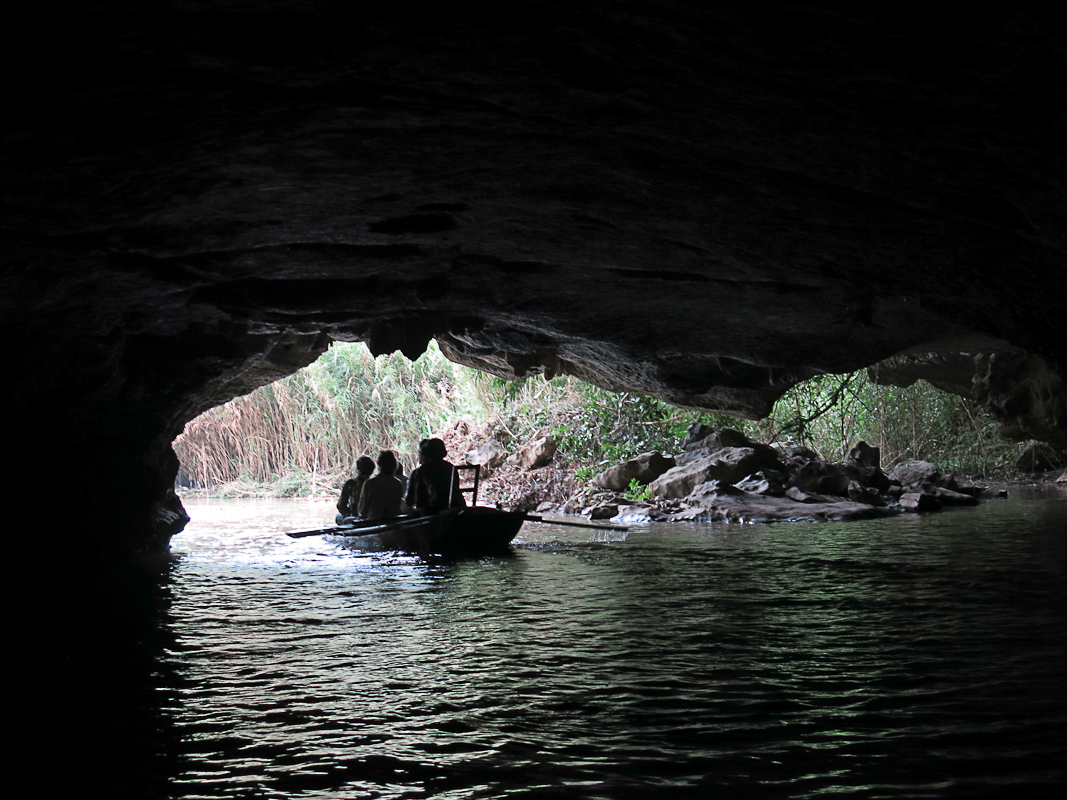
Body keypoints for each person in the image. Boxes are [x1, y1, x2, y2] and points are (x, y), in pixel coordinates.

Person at [405, 437, 466, 515]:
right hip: (458, 508)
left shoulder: (421, 471)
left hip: (435, 512)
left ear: (425, 454)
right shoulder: (451, 467)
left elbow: (411, 500)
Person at [357, 450, 406, 521]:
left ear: (379, 465)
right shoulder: (398, 483)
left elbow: (362, 511)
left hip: (374, 523)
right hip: (393, 522)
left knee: (347, 520)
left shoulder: (370, 483)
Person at [336, 456, 375, 523]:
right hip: (370, 518)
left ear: (358, 470)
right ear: (372, 471)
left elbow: (341, 506)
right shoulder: (374, 483)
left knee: (338, 516)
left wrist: (348, 513)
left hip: (354, 517)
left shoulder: (350, 483)